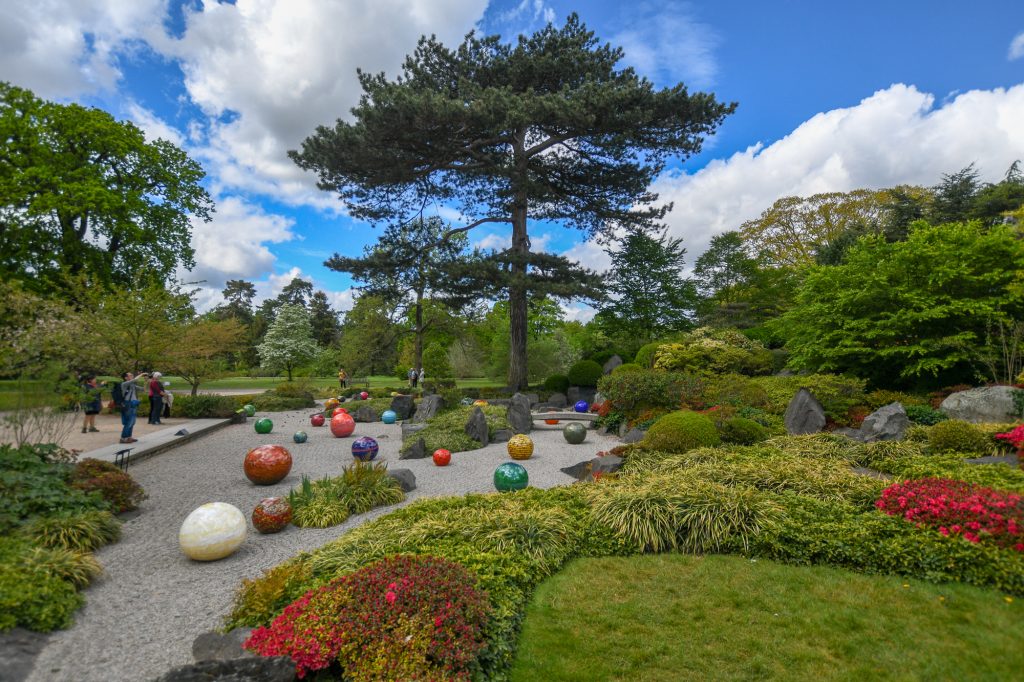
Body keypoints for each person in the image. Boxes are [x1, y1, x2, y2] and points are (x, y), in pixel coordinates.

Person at [118, 370, 149, 444]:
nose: (132, 376)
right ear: (126, 378)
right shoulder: (124, 384)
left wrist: (145, 382)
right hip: (127, 403)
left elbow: (143, 390)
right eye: (130, 375)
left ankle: (129, 437)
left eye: (132, 375)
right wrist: (141, 374)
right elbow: (135, 379)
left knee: (132, 421)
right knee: (129, 421)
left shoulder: (132, 385)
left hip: (133, 403)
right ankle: (123, 438)